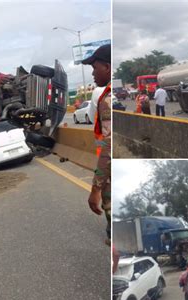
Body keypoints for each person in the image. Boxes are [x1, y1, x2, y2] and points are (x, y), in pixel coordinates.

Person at [81, 44, 111, 245]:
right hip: (109, 165)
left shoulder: (107, 99)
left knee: (110, 204)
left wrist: (95, 188)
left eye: (95, 67)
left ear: (107, 67)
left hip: (109, 167)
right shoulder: (106, 94)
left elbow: (109, 145)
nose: (92, 73)